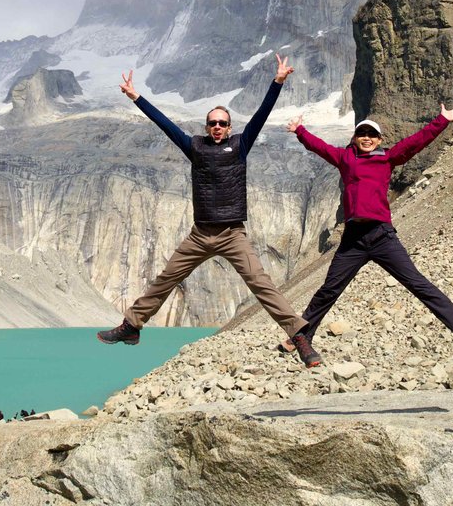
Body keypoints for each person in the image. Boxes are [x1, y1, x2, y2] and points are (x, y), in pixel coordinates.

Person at [97, 57, 322, 368]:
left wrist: (278, 82)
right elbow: (165, 124)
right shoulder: (195, 147)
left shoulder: (241, 146)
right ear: (207, 127)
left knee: (261, 283)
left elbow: (261, 115)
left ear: (230, 128)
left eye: (222, 123)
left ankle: (299, 337)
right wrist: (137, 97)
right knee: (165, 279)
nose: (217, 127)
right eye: (212, 123)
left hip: (232, 234)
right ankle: (131, 326)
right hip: (200, 235)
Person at [280, 106, 453, 361]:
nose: (367, 138)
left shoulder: (387, 158)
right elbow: (319, 147)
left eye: (372, 135)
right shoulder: (346, 158)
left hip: (381, 236)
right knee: (330, 289)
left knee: (418, 284)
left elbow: (415, 143)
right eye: (361, 134)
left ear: (379, 140)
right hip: (353, 239)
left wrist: (442, 120)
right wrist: (300, 130)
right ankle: (302, 336)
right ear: (354, 138)